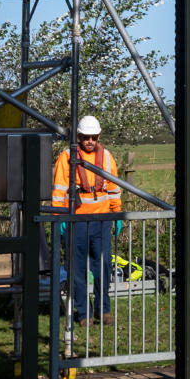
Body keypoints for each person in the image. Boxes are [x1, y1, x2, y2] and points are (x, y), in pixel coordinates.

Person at [52, 115, 121, 325]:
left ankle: (103, 310)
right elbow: (59, 190)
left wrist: (116, 213)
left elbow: (114, 187)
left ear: (98, 136)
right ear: (79, 137)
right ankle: (84, 314)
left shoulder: (107, 157)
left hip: (102, 220)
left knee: (103, 266)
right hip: (76, 221)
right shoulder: (66, 158)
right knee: (77, 269)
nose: (90, 140)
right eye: (86, 137)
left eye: (93, 137)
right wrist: (59, 217)